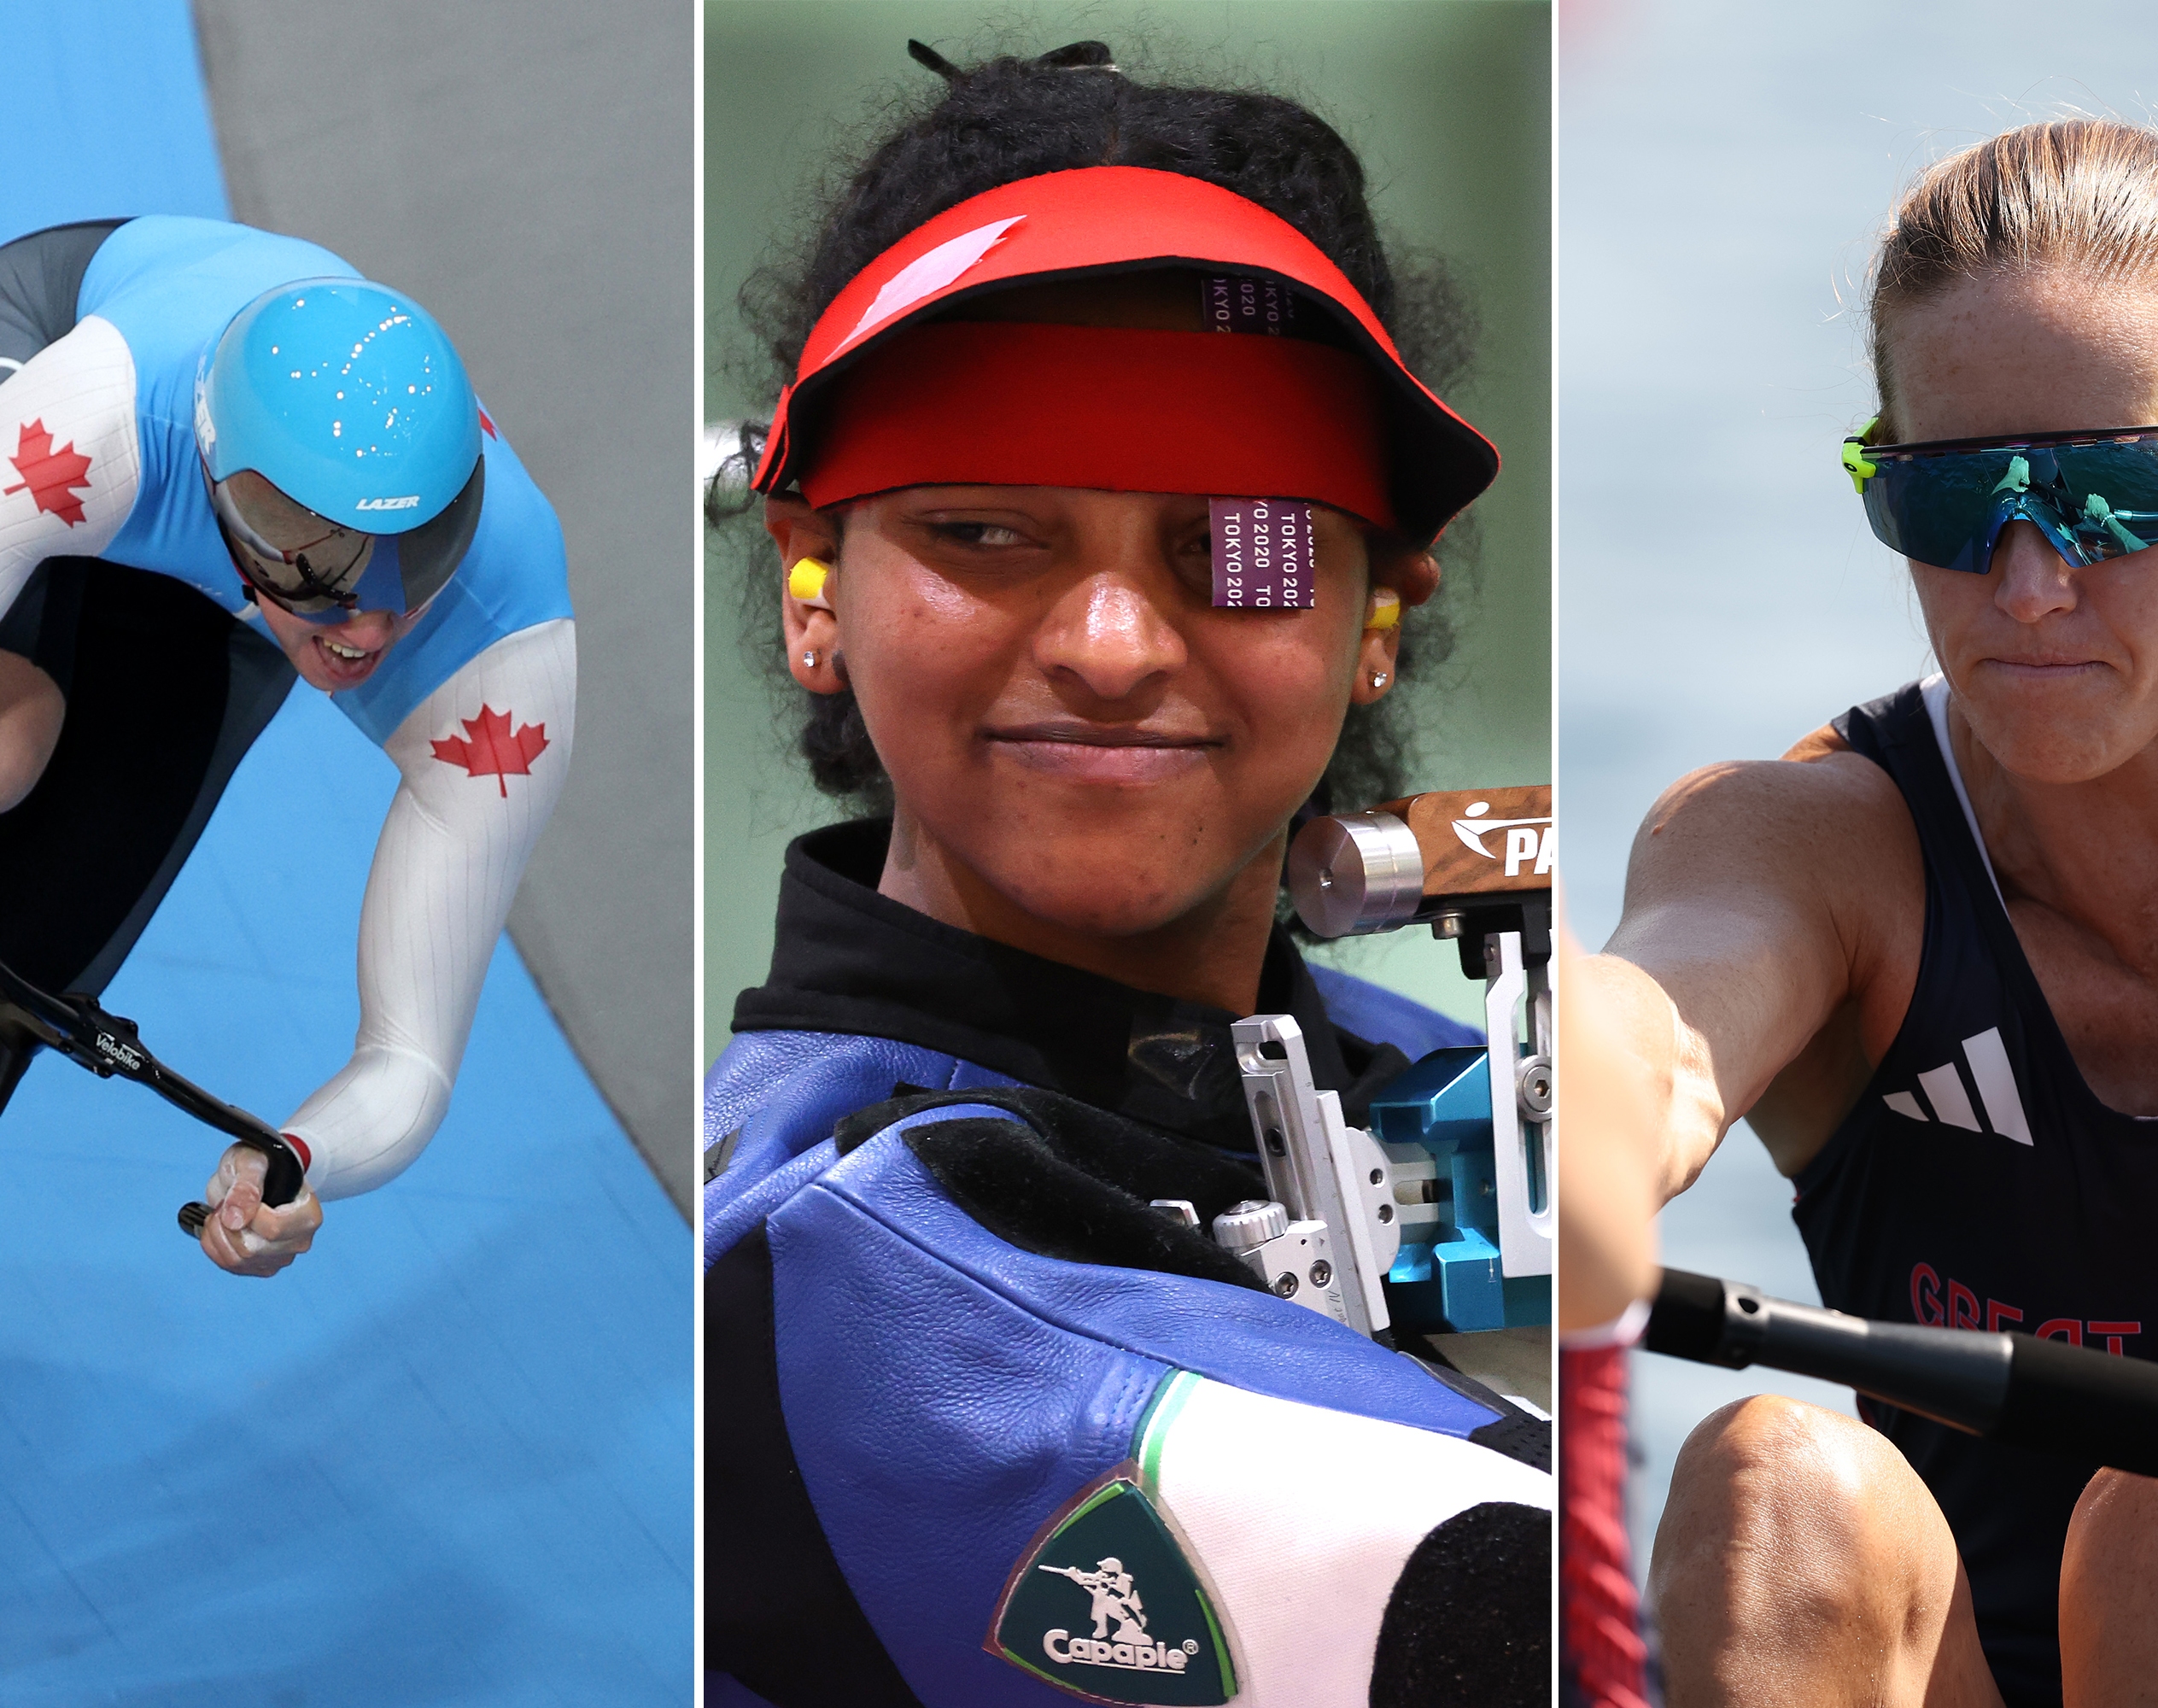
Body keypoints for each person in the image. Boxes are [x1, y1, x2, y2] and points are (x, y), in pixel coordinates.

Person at [703, 39, 1548, 1708]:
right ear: (812, 585)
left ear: (1381, 611)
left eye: (1241, 541)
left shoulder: (1457, 1081)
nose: (1107, 643)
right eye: (982, 531)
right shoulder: (815, 1256)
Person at [1578, 118, 2158, 1705]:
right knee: (1773, 1473)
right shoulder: (1821, 843)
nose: (2027, 583)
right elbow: (1665, 1011)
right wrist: (1587, 1109)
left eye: (2110, 495)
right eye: (1954, 503)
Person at [0, 215, 574, 1278]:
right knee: (12, 741)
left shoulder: (504, 643)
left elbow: (407, 1063)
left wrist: (294, 1160)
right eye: (329, 561)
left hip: (232, 596)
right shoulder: (91, 420)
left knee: (33, 943)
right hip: (49, 365)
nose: (371, 629)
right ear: (230, 486)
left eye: (423, 549)